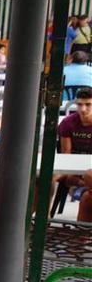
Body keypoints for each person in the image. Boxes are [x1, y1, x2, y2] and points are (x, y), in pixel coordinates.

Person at [56, 88, 92, 221]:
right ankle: (43, 220)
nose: (83, 109)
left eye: (88, 104)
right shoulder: (68, 123)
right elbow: (66, 154)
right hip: (73, 169)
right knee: (47, 178)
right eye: (80, 104)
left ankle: (82, 186)